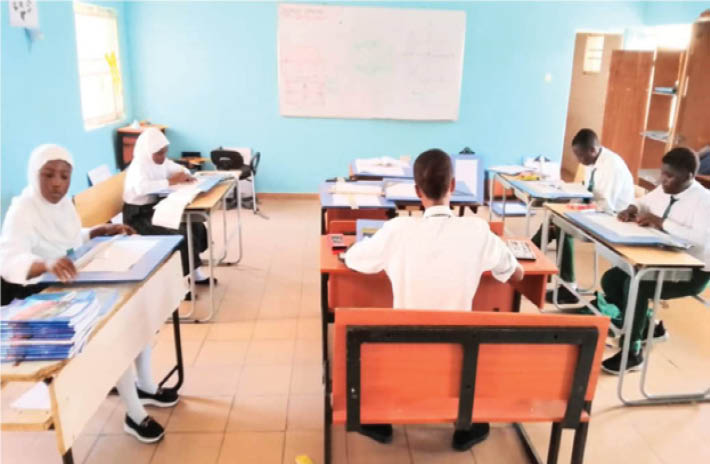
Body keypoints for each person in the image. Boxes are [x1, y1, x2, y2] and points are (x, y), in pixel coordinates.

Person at [344, 148, 524, 451]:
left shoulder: (398, 229)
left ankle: (381, 417)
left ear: (416, 192)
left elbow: (354, 260)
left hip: (403, 352)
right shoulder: (477, 231)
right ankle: (466, 424)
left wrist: (354, 249)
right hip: (459, 355)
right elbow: (516, 274)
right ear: (453, 186)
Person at [0, 144, 179, 443]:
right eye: (49, 175)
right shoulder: (23, 209)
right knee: (113, 329)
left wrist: (97, 231)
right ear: (35, 174)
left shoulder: (62, 204)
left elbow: (71, 238)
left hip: (70, 281)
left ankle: (145, 385)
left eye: (64, 176)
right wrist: (45, 263)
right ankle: (134, 414)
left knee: (136, 309)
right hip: (37, 295)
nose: (57, 183)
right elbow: (7, 262)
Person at [600, 147, 710, 374]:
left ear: (689, 176)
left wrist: (661, 222)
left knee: (637, 284)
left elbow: (700, 241)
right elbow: (643, 202)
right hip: (661, 260)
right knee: (612, 280)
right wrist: (631, 208)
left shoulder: (704, 201)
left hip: (693, 271)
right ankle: (650, 326)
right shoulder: (665, 189)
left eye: (670, 176)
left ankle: (632, 351)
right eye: (663, 173)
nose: (663, 180)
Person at [532, 128, 634, 304]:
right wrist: (568, 198)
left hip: (613, 218)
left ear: (592, 150)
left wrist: (575, 209)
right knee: (554, 219)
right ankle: (530, 260)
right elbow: (587, 191)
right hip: (595, 210)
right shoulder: (592, 162)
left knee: (561, 226)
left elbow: (605, 204)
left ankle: (566, 285)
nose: (578, 160)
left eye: (580, 155)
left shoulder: (612, 166)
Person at [122, 128, 213, 291]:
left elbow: (177, 169)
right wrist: (169, 181)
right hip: (137, 216)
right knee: (181, 235)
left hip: (153, 210)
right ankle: (182, 285)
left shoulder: (161, 162)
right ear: (148, 151)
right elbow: (141, 188)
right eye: (158, 153)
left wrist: (185, 174)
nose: (162, 157)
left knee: (196, 225)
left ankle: (195, 271)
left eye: (165, 152)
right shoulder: (138, 166)